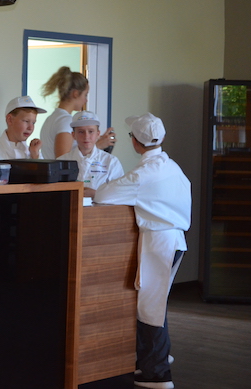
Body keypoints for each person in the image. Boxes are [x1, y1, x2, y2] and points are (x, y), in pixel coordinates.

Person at [93, 113, 191, 389]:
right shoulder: (171, 166)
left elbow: (104, 195)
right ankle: (155, 360)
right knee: (155, 306)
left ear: (135, 142)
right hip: (174, 241)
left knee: (149, 309)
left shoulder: (142, 174)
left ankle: (157, 374)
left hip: (159, 244)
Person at [38, 66, 115, 159]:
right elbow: (63, 159)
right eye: (85, 95)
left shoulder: (52, 118)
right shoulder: (66, 121)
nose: (86, 100)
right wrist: (97, 146)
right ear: (75, 93)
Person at [57, 110, 123, 198]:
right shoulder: (61, 162)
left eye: (91, 131)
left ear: (98, 134)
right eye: (81, 132)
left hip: (100, 207)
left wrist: (96, 194)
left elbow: (120, 194)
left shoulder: (111, 162)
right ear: (73, 135)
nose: (86, 136)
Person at [0, 95, 46, 162]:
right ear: (10, 120)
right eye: (26, 121)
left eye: (33, 123)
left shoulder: (34, 153)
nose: (30, 128)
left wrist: (35, 156)